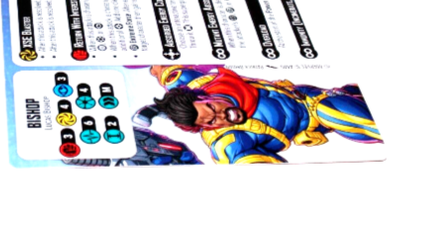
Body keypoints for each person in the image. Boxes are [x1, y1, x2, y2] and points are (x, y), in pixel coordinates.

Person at [149, 65, 382, 164]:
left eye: (212, 108)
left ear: (204, 97)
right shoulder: (227, 141)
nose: (221, 117)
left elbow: (165, 69)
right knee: (331, 110)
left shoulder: (201, 82)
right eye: (211, 122)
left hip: (315, 97)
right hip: (317, 117)